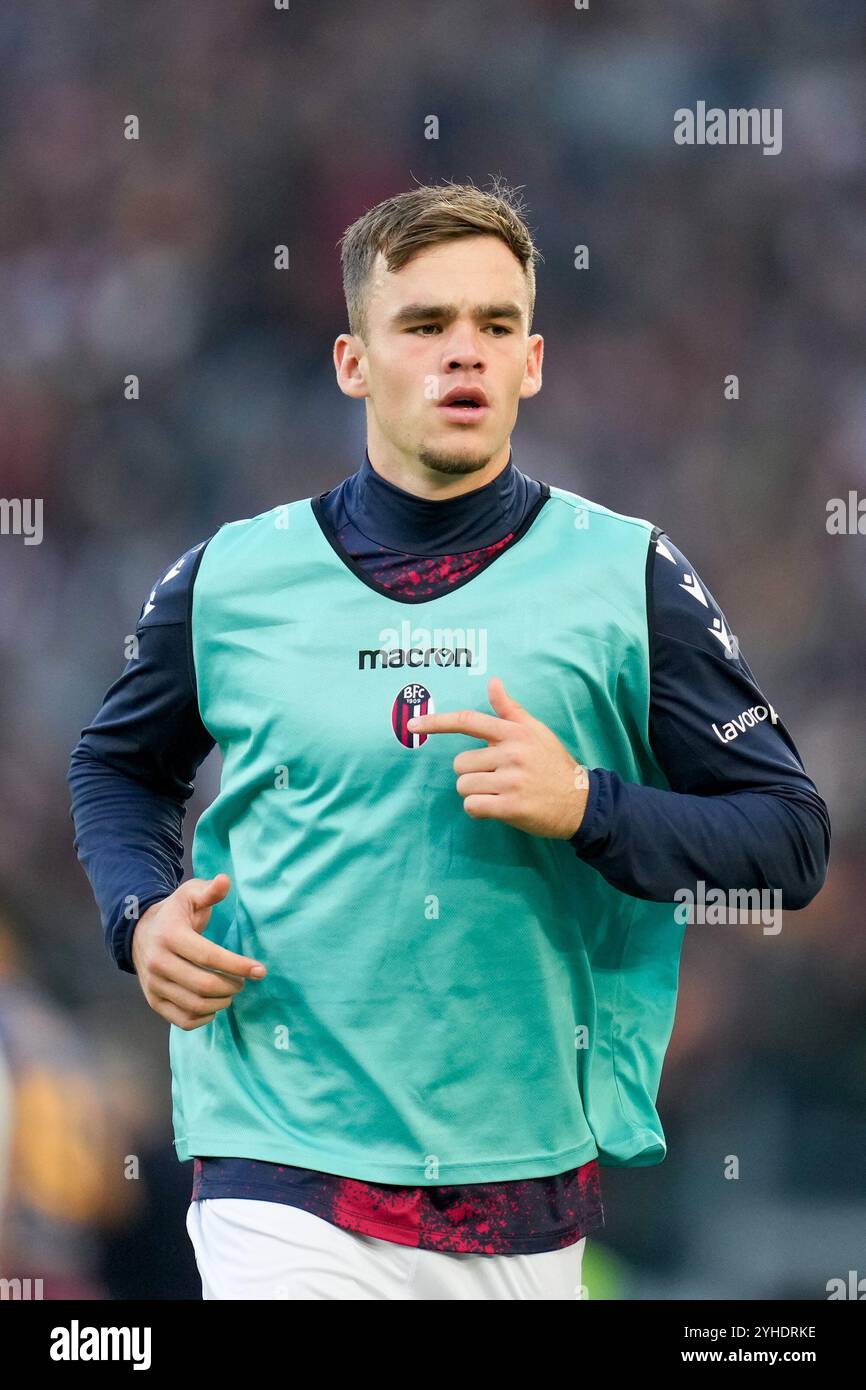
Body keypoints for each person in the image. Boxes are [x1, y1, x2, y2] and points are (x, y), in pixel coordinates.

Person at [68, 179, 830, 1300]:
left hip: (521, 1183)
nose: (460, 354)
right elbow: (118, 765)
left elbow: (787, 839)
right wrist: (139, 913)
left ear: (530, 361)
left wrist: (587, 805)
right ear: (352, 361)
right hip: (279, 1164)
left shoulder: (627, 576)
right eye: (423, 326)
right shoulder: (228, 578)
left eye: (493, 325)